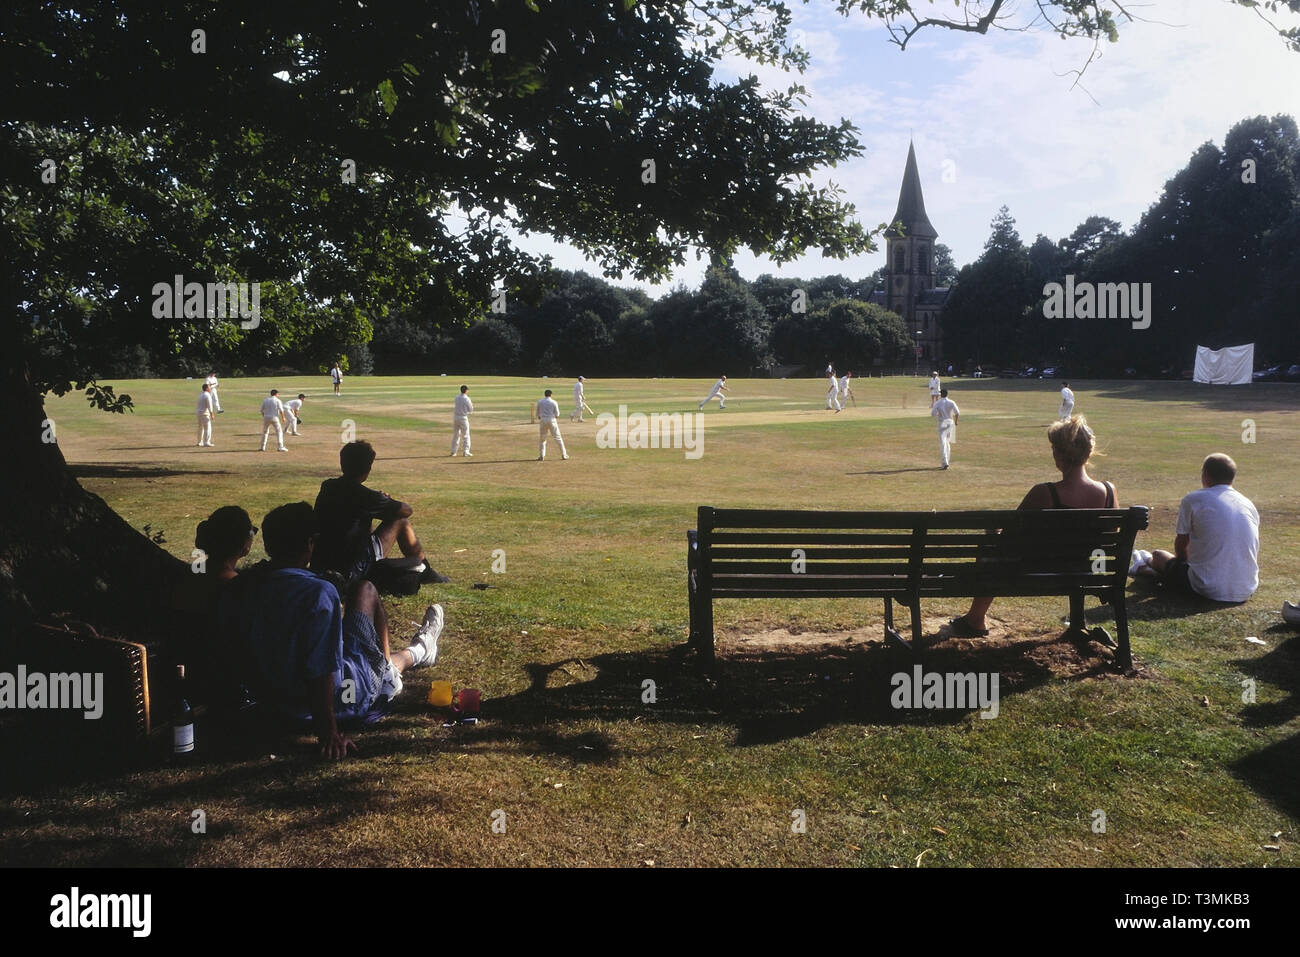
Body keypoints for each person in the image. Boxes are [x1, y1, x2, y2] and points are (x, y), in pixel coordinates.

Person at [221, 502, 443, 759]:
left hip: (273, 701)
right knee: (366, 591)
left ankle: (416, 652)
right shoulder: (316, 593)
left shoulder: (242, 586)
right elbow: (321, 667)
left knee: (357, 634)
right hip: (344, 696)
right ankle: (395, 671)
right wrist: (329, 733)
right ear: (309, 545)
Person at [948, 416, 1118, 637]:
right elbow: (1109, 540)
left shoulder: (1044, 493)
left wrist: (993, 533)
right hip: (1088, 573)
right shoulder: (1109, 492)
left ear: (1058, 454)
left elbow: (1008, 537)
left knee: (991, 548)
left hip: (1037, 574)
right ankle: (1077, 621)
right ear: (1088, 453)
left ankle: (976, 619)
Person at [312, 440, 448, 585]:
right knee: (401, 521)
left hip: (322, 565)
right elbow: (406, 511)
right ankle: (426, 571)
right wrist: (384, 500)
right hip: (352, 569)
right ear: (368, 468)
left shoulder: (327, 487)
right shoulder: (366, 496)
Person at [1148, 453, 1259, 603]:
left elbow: (1181, 544)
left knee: (1158, 556)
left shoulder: (1193, 499)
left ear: (1206, 474)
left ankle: (1147, 568)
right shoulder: (1248, 504)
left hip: (1206, 588)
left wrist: (1180, 563)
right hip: (1246, 588)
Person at [930, 387, 960, 469]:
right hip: (950, 422)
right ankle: (947, 461)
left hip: (942, 422)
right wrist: (956, 421)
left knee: (943, 443)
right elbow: (957, 413)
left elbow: (932, 414)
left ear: (941, 394)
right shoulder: (951, 402)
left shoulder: (938, 403)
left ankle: (945, 462)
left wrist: (938, 413)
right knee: (947, 442)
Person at [536, 389, 568, 461]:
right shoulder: (554, 402)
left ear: (545, 394)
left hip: (543, 420)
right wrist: (553, 418)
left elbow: (537, 414)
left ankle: (541, 456)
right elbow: (557, 414)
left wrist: (541, 417)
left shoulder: (540, 401)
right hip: (552, 420)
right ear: (551, 395)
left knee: (542, 439)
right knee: (558, 438)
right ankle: (564, 455)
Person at [451, 384, 473, 457]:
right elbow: (471, 409)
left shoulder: (457, 397)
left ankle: (453, 452)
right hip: (463, 418)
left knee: (456, 435)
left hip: (456, 417)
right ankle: (466, 451)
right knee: (466, 435)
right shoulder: (467, 398)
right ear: (466, 391)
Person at [196, 382, 215, 447]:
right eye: (209, 387)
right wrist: (212, 414)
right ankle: (206, 442)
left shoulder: (201, 394)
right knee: (208, 428)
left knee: (200, 428)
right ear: (207, 388)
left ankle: (199, 442)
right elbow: (210, 405)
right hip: (204, 413)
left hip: (199, 413)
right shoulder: (207, 395)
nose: (210, 388)